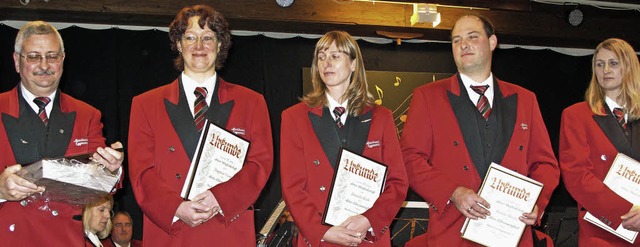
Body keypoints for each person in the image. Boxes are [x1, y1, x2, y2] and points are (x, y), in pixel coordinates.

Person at [400, 15, 559, 246]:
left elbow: (546, 164)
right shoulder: (427, 97)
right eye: (456, 40)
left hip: (512, 233)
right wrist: (453, 192)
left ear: (492, 42)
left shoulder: (526, 99)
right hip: (452, 234)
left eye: (472, 37)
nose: (463, 44)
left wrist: (538, 201)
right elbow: (409, 158)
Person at [128, 4, 273, 246]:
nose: (199, 46)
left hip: (227, 227)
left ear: (220, 45)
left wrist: (220, 199)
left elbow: (259, 165)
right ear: (178, 44)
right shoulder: (145, 104)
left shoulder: (251, 102)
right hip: (170, 229)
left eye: (208, 38)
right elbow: (141, 173)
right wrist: (176, 208)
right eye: (190, 37)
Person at [0, 21, 124, 246]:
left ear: (63, 60)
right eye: (34, 56)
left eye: (52, 56)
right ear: (17, 62)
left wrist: (113, 170)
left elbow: (101, 181)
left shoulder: (87, 114)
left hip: (64, 238)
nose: (44, 65)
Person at [280, 30, 409, 246]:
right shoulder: (294, 117)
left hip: (367, 236)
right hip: (319, 238)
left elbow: (397, 182)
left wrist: (369, 219)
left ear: (353, 64)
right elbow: (292, 187)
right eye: (321, 57)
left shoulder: (381, 117)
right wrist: (321, 231)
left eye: (335, 56)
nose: (326, 63)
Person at [559, 38, 640, 246]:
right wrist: (625, 212)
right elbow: (577, 176)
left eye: (613, 63)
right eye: (599, 64)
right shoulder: (576, 115)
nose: (606, 70)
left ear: (629, 66)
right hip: (602, 231)